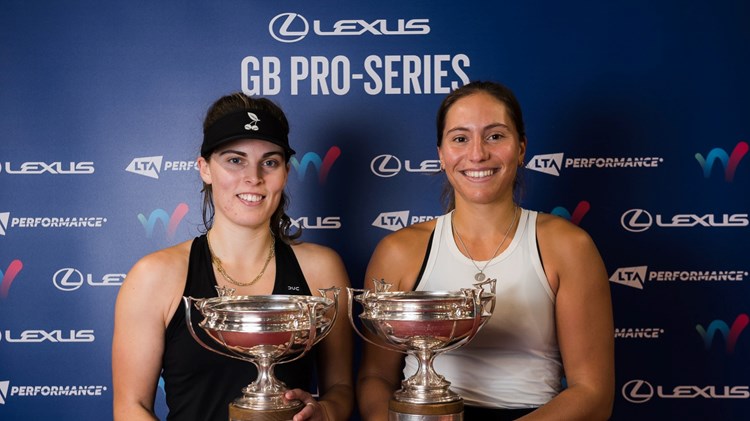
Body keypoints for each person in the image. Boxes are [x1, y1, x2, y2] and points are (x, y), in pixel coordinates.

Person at [356, 81, 614, 420]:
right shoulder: (399, 251)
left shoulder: (567, 246)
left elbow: (593, 393)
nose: (477, 153)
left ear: (521, 149)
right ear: (441, 154)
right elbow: (375, 377)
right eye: (460, 138)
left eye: (495, 136)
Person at [112, 93, 354, 421]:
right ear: (205, 169)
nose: (253, 177)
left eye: (269, 161)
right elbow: (130, 407)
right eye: (235, 160)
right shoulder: (155, 275)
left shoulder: (321, 268)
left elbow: (340, 388)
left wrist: (324, 412)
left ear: (284, 172)